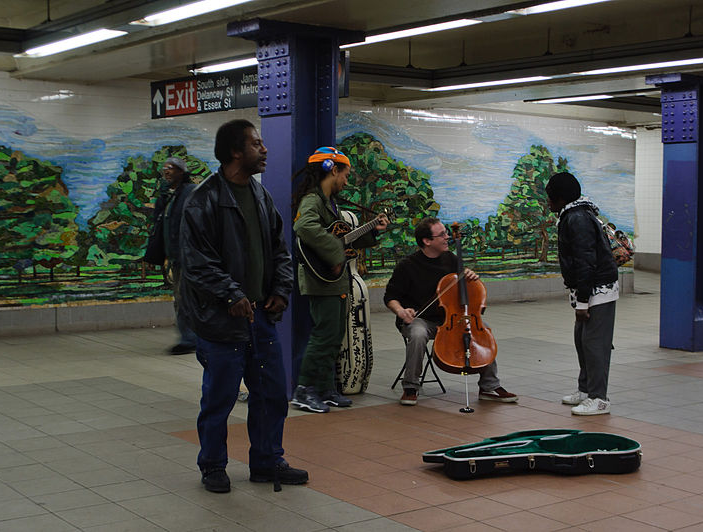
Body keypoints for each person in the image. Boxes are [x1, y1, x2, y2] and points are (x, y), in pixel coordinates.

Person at [180, 119, 306, 493]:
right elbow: (196, 261)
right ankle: (213, 466)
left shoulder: (261, 196)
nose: (264, 149)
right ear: (236, 151)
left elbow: (280, 251)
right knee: (218, 399)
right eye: (256, 143)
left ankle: (267, 462)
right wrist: (231, 294)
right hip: (221, 323)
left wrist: (281, 290)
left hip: (262, 319)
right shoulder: (203, 200)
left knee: (270, 395)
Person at [291, 147, 388, 413]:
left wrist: (372, 232)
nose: (346, 181)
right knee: (324, 336)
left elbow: (343, 238)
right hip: (321, 279)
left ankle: (325, 388)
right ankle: (304, 390)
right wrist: (334, 253)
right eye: (345, 175)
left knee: (334, 336)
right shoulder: (312, 201)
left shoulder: (329, 203)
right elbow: (303, 227)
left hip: (334, 280)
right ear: (333, 170)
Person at [384, 217, 518, 406]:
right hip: (420, 319)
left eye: (447, 233)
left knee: (484, 330)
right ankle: (411, 386)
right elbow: (390, 297)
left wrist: (470, 276)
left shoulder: (451, 259)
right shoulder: (407, 266)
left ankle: (489, 386)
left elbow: (465, 287)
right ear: (427, 241)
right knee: (418, 332)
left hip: (450, 319)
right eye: (442, 235)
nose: (447, 237)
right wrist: (401, 311)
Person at [545, 171, 618, 416]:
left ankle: (599, 398)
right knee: (583, 340)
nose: (548, 202)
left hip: (598, 290)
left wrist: (584, 302)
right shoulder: (573, 215)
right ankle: (586, 390)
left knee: (595, 345)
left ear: (560, 198)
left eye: (550, 197)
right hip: (588, 289)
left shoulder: (577, 219)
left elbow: (586, 261)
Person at [142, 156, 197, 355]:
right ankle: (189, 336)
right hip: (175, 257)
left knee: (185, 299)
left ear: (182, 172)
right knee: (180, 299)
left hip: (188, 257)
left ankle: (190, 338)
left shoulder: (190, 193)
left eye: (171, 168)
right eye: (164, 168)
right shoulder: (168, 196)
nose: (166, 171)